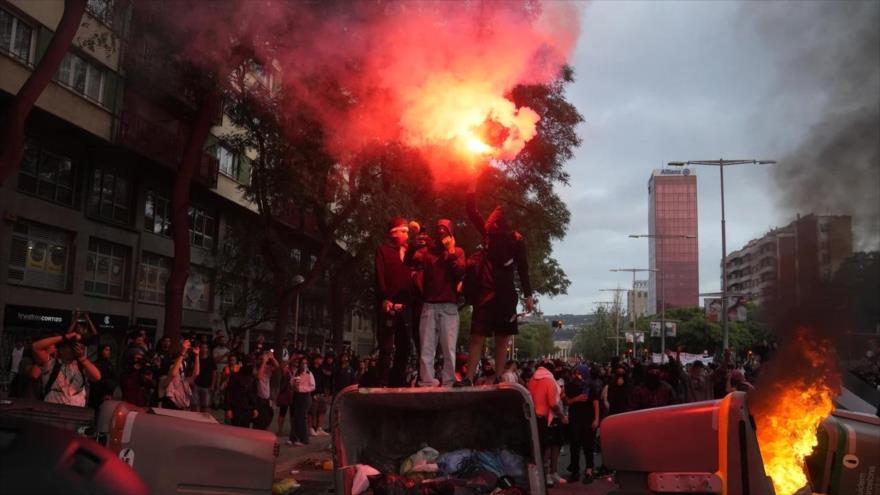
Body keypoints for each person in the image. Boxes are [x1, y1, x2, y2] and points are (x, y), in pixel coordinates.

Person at [464, 183, 533, 385]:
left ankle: (496, 377)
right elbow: (472, 212)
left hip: (498, 294)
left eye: (494, 214)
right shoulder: (493, 236)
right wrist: (471, 185)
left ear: (498, 221)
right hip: (492, 294)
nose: (491, 216)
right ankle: (472, 378)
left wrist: (528, 294)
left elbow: (523, 267)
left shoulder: (512, 239)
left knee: (494, 338)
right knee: (484, 337)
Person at [412, 219, 466, 387]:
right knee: (427, 348)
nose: (441, 232)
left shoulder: (457, 251)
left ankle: (449, 380)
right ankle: (427, 381)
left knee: (448, 348)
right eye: (438, 229)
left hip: (448, 305)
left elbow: (460, 272)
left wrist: (450, 251)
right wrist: (417, 240)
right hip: (429, 304)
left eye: (444, 230)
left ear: (451, 234)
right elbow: (412, 261)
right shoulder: (428, 253)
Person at [374, 217, 417, 387]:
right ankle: (381, 383)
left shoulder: (409, 252)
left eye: (408, 232)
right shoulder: (383, 251)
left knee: (404, 346)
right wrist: (384, 297)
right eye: (404, 231)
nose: (407, 235)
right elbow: (379, 275)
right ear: (394, 233)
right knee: (386, 347)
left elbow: (420, 244)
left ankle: (396, 383)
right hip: (389, 302)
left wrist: (415, 231)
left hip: (406, 305)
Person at [32, 317, 102, 407]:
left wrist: (81, 357)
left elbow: (97, 377)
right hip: (52, 411)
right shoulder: (51, 363)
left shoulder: (81, 365)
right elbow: (35, 346)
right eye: (69, 347)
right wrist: (64, 337)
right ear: (60, 349)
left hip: (75, 413)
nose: (72, 350)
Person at [527, 362, 567, 488]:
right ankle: (550, 474)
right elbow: (553, 403)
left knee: (542, 447)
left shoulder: (532, 381)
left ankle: (543, 473)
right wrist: (562, 416)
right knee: (551, 446)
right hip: (548, 419)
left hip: (534, 418)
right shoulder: (549, 381)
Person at [564, 365, 600, 483]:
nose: (577, 376)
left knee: (588, 446)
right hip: (575, 419)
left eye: (580, 373)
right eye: (576, 373)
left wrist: (596, 419)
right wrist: (576, 399)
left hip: (588, 420)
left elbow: (595, 403)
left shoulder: (590, 386)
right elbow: (567, 401)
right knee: (574, 446)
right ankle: (575, 471)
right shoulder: (569, 385)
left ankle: (589, 470)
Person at [160, 340, 200, 410]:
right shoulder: (166, 379)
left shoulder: (183, 380)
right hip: (168, 408)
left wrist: (197, 356)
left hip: (180, 407)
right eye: (179, 366)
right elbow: (173, 373)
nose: (180, 368)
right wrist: (182, 353)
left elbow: (195, 374)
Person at [288, 357, 316, 446]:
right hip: (297, 396)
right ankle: (293, 438)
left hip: (305, 397)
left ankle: (304, 439)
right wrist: (293, 385)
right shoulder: (297, 372)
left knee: (302, 418)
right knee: (295, 417)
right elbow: (291, 381)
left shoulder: (309, 373)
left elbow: (312, 386)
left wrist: (300, 388)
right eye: (302, 363)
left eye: (306, 363)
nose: (304, 365)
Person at [89, 344, 117, 409]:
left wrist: (109, 393)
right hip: (96, 396)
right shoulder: (95, 364)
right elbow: (94, 381)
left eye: (109, 350)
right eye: (106, 350)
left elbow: (114, 380)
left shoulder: (110, 365)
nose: (108, 352)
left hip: (107, 396)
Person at [193, 342, 216, 412]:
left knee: (205, 406)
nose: (203, 349)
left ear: (207, 349)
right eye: (202, 348)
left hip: (207, 385)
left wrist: (212, 385)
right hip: (196, 384)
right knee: (195, 405)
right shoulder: (196, 358)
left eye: (205, 348)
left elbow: (214, 373)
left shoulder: (211, 360)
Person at [276, 360, 294, 434]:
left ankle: (292, 429)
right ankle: (280, 429)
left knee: (292, 413)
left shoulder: (297, 370)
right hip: (286, 394)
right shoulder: (287, 370)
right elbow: (282, 367)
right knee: (282, 412)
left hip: (293, 394)